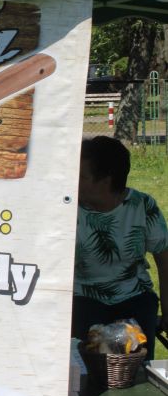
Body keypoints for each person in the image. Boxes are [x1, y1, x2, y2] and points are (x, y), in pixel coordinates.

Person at [72, 136, 168, 359]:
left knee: (135, 367)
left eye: (82, 177)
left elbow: (164, 259)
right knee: (82, 367)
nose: (74, 181)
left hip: (134, 297)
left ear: (106, 181)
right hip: (81, 298)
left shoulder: (142, 206)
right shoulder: (67, 207)